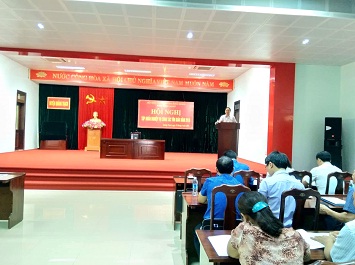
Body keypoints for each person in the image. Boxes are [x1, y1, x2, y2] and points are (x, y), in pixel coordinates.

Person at [227, 191, 311, 264]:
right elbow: (307, 257)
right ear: (269, 209)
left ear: (244, 217)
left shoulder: (244, 231)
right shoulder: (295, 235)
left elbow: (232, 254)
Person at [194, 156, 243, 255]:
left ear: (216, 169)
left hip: (212, 224)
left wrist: (212, 200)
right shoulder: (240, 185)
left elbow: (200, 199)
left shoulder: (210, 181)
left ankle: (204, 258)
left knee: (196, 230)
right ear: (233, 169)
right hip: (235, 225)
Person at [258, 151, 305, 227]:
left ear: (270, 164)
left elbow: (260, 204)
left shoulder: (267, 182)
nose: (266, 168)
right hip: (292, 227)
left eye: (266, 166)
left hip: (270, 226)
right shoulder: (299, 184)